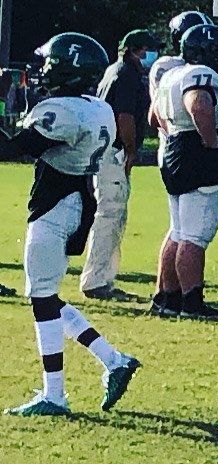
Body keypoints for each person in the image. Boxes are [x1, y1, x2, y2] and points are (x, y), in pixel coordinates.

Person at [4, 34, 141, 416]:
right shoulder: (97, 107)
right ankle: (114, 360)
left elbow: (17, 148)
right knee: (45, 297)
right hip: (78, 198)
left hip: (55, 204)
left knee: (42, 301)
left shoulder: (61, 110)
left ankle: (55, 394)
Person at [154, 21, 218, 319]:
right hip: (200, 159)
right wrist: (210, 139)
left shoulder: (171, 75)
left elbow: (154, 115)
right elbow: (199, 104)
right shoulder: (199, 74)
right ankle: (192, 302)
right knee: (194, 237)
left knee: (179, 232)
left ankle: (170, 299)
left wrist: (176, 137)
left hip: (178, 152)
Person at [79, 28, 159, 300]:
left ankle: (102, 278)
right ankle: (97, 281)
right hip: (112, 152)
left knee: (110, 214)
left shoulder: (113, 70)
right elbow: (124, 115)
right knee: (110, 214)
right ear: (138, 50)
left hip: (102, 150)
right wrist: (132, 149)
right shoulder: (127, 74)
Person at [147, 8, 208, 316]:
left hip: (171, 150)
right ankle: (178, 295)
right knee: (186, 231)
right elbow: (158, 114)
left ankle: (165, 294)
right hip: (181, 149)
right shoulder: (172, 67)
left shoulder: (170, 68)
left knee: (179, 228)